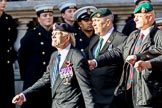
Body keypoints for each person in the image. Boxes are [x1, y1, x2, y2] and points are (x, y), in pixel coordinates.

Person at [88, 3, 162, 108]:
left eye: (138, 17)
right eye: (135, 17)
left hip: (148, 93)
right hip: (129, 93)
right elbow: (117, 51)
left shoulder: (158, 35)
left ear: (149, 17)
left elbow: (158, 54)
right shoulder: (134, 35)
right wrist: (96, 62)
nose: (135, 20)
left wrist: (142, 60)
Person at [12, 22, 96, 108]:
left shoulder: (77, 58)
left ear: (67, 37)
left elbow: (86, 89)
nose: (53, 36)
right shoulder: (54, 56)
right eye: (52, 34)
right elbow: (45, 79)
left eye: (56, 34)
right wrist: (24, 94)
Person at [86, 8, 127, 108]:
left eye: (97, 21)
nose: (93, 24)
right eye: (93, 21)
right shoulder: (94, 39)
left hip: (112, 97)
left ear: (108, 22)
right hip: (94, 96)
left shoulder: (121, 39)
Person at [18, 4, 56, 108]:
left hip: (52, 78)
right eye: (44, 15)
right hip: (35, 77)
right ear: (39, 19)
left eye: (50, 15)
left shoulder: (56, 34)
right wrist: (26, 76)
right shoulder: (31, 35)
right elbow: (22, 57)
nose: (48, 17)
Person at [0, 0, 18, 108]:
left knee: (7, 94)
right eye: (1, 0)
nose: (4, 2)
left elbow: (12, 37)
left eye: (5, 0)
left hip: (6, 62)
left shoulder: (8, 19)